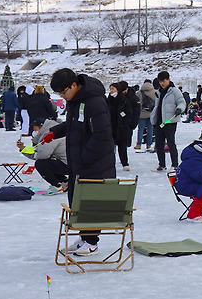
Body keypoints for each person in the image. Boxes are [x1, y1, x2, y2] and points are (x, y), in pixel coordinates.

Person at [48, 68, 115, 257]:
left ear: (75, 85)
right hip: (79, 162)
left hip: (96, 163)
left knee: (90, 202)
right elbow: (74, 125)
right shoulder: (75, 101)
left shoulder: (95, 102)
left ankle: (92, 242)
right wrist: (56, 132)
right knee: (78, 201)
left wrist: (84, 158)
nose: (63, 96)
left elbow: (102, 135)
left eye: (64, 92)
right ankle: (84, 238)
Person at [19, 120, 68, 191]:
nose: (34, 131)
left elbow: (42, 155)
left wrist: (26, 151)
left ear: (41, 127)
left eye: (35, 128)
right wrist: (23, 149)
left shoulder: (49, 135)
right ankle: (64, 182)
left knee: (41, 164)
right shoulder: (57, 131)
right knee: (49, 162)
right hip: (70, 162)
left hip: (68, 165)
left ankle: (56, 185)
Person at [151, 72, 185, 172]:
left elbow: (182, 102)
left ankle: (175, 165)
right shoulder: (158, 92)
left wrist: (179, 109)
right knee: (159, 144)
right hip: (159, 121)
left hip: (169, 121)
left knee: (171, 143)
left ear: (168, 80)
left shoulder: (174, 91)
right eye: (160, 81)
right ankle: (162, 164)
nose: (162, 83)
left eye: (164, 81)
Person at [107, 81, 139, 172]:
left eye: (113, 89)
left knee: (122, 147)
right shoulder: (108, 100)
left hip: (121, 127)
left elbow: (129, 114)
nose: (111, 91)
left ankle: (125, 163)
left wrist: (126, 125)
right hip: (111, 126)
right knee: (110, 147)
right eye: (110, 89)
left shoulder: (124, 101)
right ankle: (110, 163)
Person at [136, 80, 156, 150]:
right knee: (150, 129)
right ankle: (149, 144)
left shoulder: (139, 93)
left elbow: (137, 103)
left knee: (140, 129)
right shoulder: (154, 92)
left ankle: (139, 144)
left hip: (142, 113)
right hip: (151, 113)